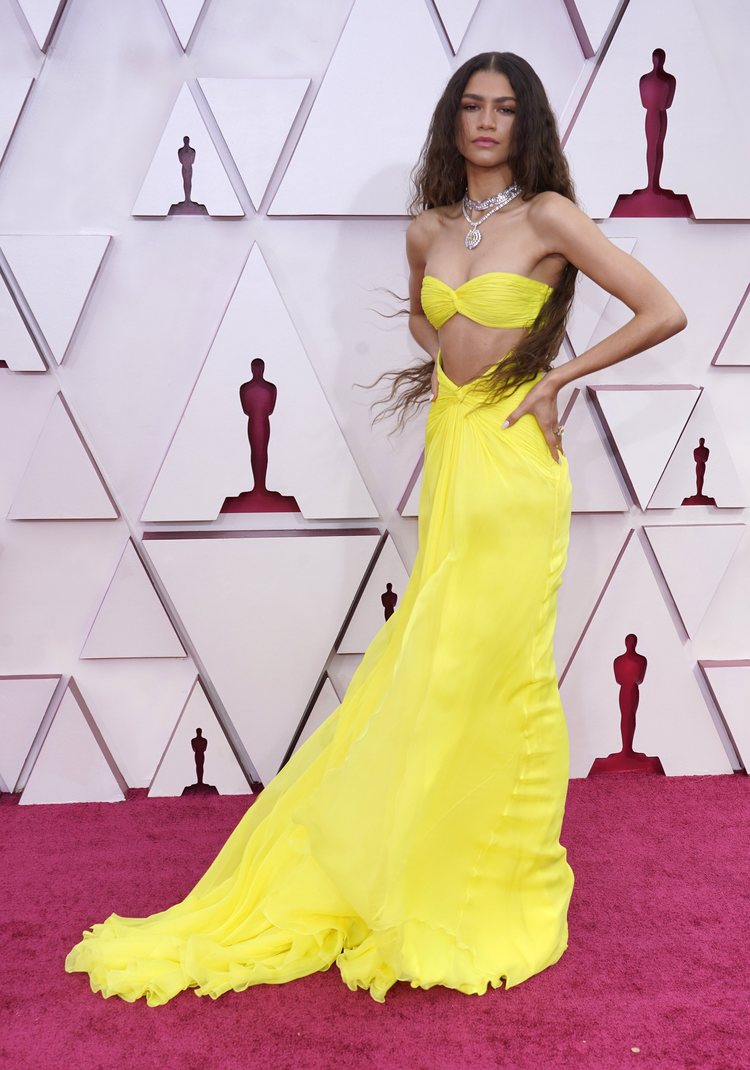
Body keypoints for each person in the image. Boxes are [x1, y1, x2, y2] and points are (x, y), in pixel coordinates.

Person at [65, 51, 686, 1008]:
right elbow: (426, 327)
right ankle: (416, 857)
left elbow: (664, 310)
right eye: (472, 106)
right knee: (434, 663)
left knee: (494, 667)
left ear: (526, 123)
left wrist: (552, 377)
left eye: (505, 108)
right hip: (453, 452)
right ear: (453, 121)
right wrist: (455, 370)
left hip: (516, 466)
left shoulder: (550, 216)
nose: (487, 122)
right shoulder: (427, 229)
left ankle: (490, 876)